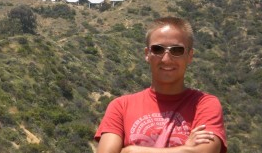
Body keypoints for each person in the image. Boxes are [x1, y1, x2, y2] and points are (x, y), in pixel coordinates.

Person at [94, 17, 227, 153]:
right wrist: (185, 149)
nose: (166, 59)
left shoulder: (205, 104)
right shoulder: (121, 107)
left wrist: (131, 151)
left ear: (190, 55)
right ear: (147, 54)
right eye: (158, 49)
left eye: (177, 51)